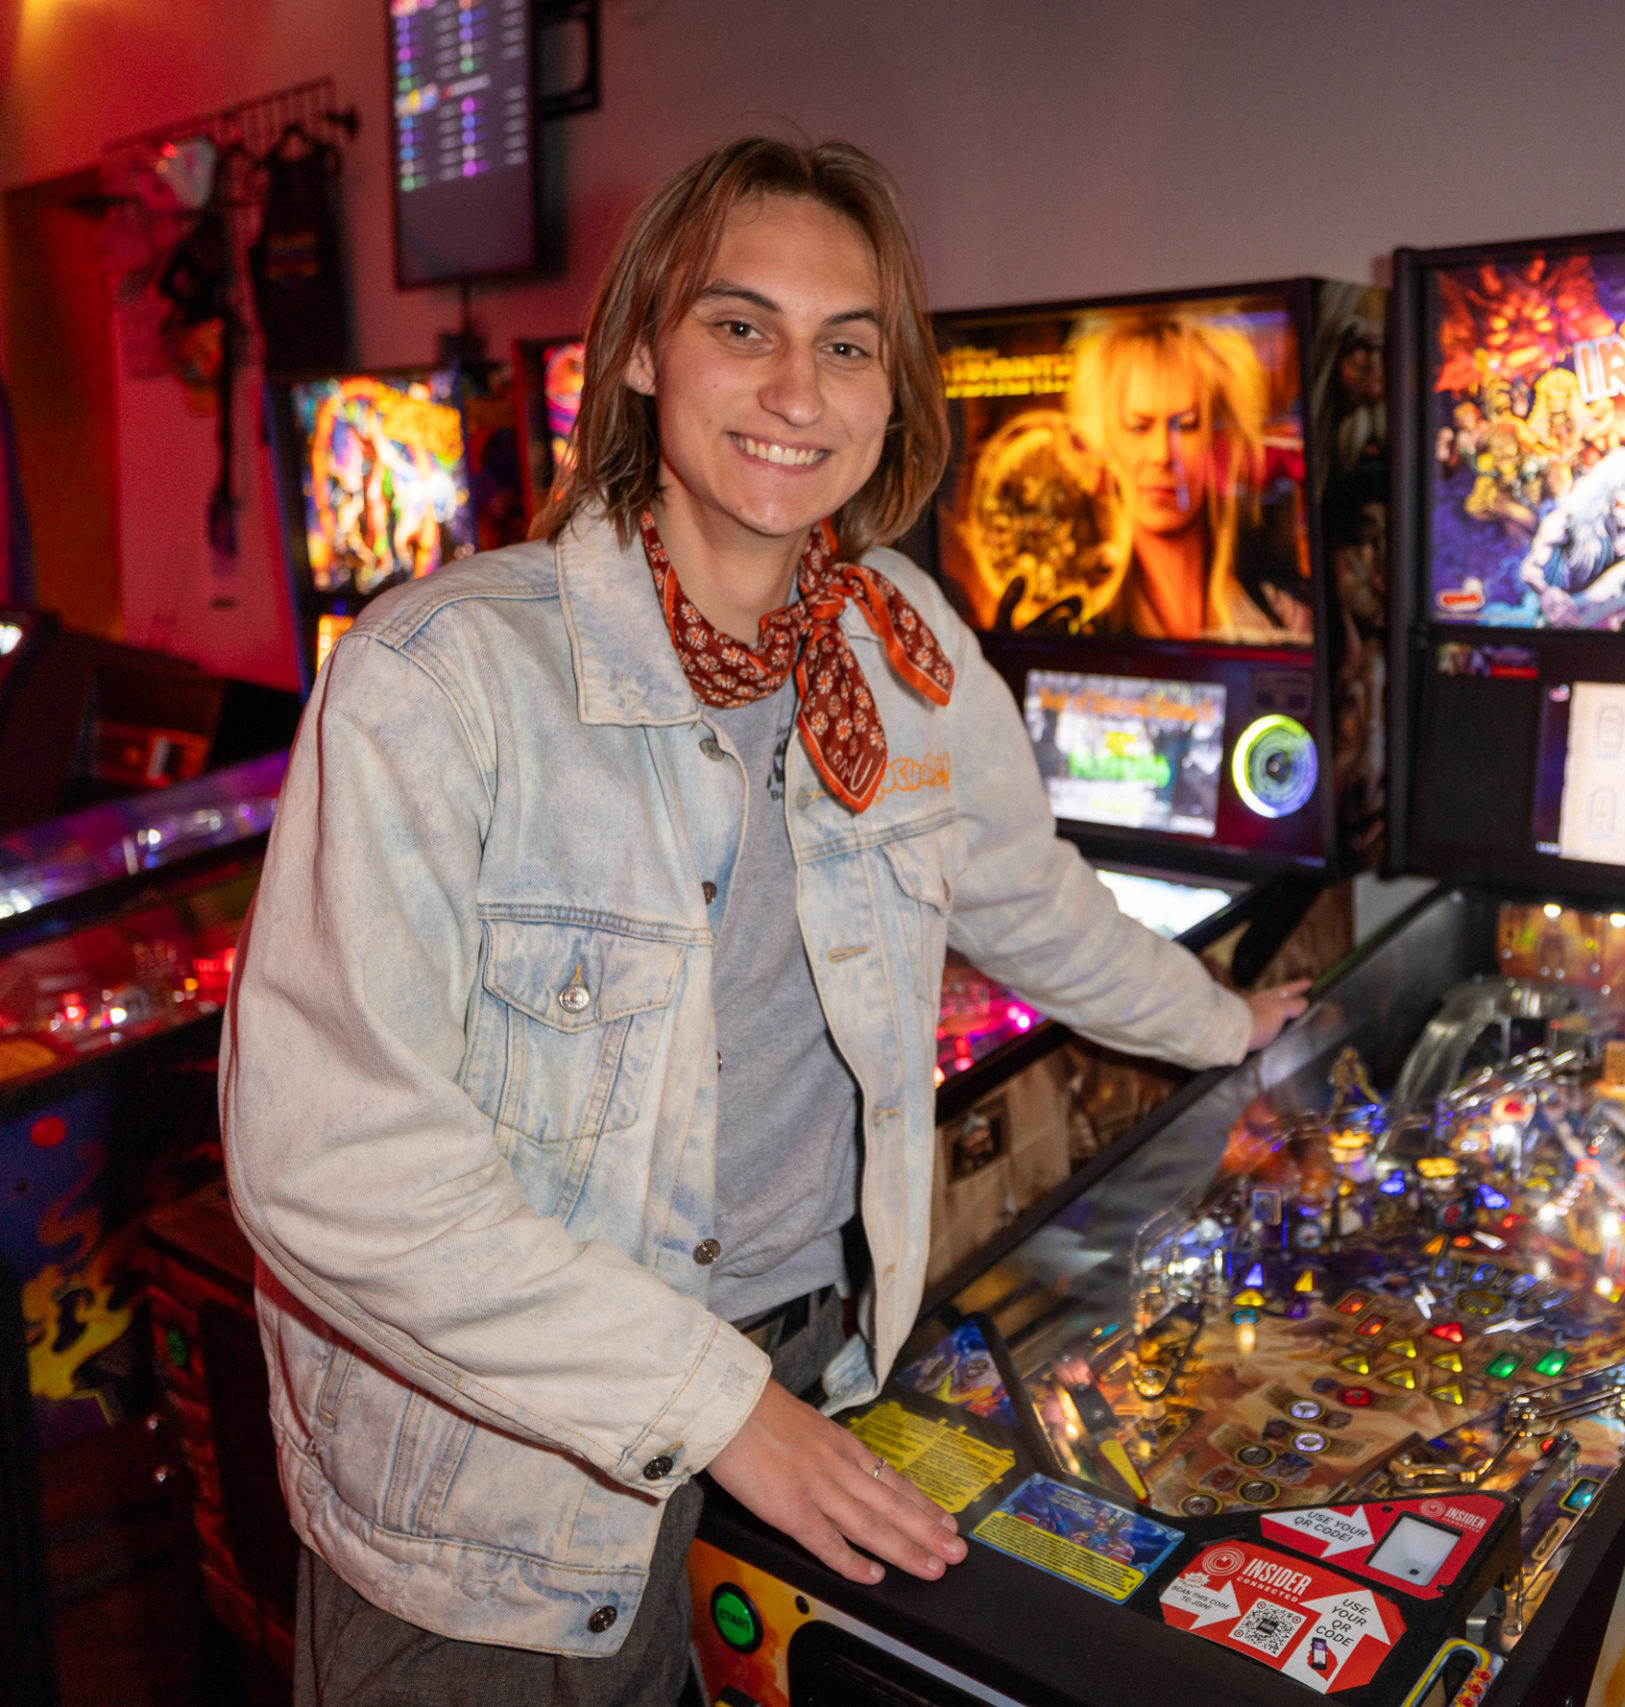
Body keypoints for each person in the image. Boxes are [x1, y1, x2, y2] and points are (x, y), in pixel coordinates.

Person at [221, 137, 1308, 1705]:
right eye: (743, 326)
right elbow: (329, 1162)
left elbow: (1028, 897)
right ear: (642, 352)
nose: (799, 389)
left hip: (825, 1373)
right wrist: (719, 1406)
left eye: (847, 344)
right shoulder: (444, 676)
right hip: (499, 1490)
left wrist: (1228, 1025)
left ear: (892, 393)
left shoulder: (902, 640)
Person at [1065, 310, 1310, 643]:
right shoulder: (1078, 626)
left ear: (1219, 438)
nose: (1163, 455)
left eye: (1187, 425)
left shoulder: (1284, 621)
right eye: (1139, 426)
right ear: (1104, 443)